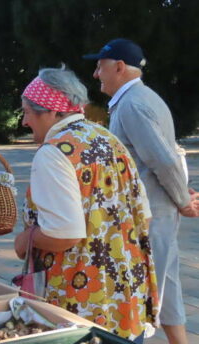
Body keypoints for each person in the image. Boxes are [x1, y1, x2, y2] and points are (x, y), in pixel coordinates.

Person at [13, 67, 159, 342]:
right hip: (126, 298)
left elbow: (65, 234)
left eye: (27, 112)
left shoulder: (54, 152)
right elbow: (144, 216)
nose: (24, 121)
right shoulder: (109, 140)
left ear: (53, 112)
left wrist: (26, 239)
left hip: (81, 305)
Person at [83, 38, 199, 344]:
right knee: (166, 288)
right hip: (154, 212)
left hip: (148, 219)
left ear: (119, 67)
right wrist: (180, 197)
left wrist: (184, 200)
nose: (96, 74)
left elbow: (163, 160)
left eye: (100, 66)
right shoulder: (139, 99)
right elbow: (162, 158)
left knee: (140, 300)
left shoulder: (133, 105)